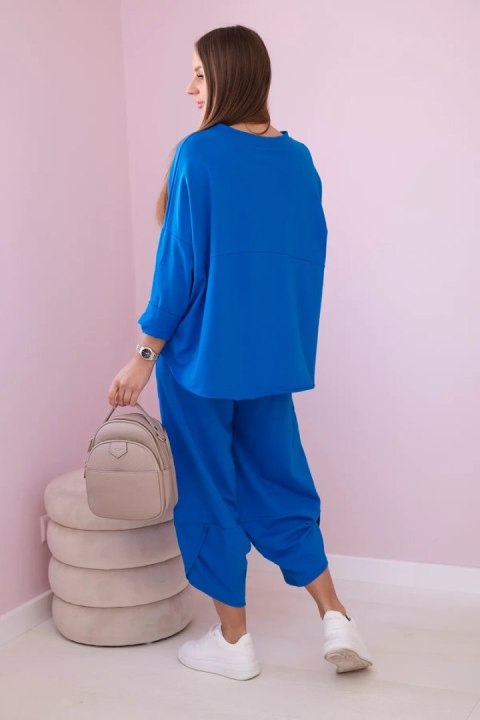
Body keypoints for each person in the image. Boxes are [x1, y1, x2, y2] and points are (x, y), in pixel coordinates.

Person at [107, 24, 373, 680]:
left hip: (199, 360)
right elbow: (304, 263)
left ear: (229, 75)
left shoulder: (198, 154)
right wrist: (285, 342)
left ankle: (233, 644)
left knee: (209, 490)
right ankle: (336, 616)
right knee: (281, 479)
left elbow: (178, 270)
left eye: (200, 73)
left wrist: (143, 356)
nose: (189, 87)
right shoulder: (298, 160)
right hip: (269, 360)